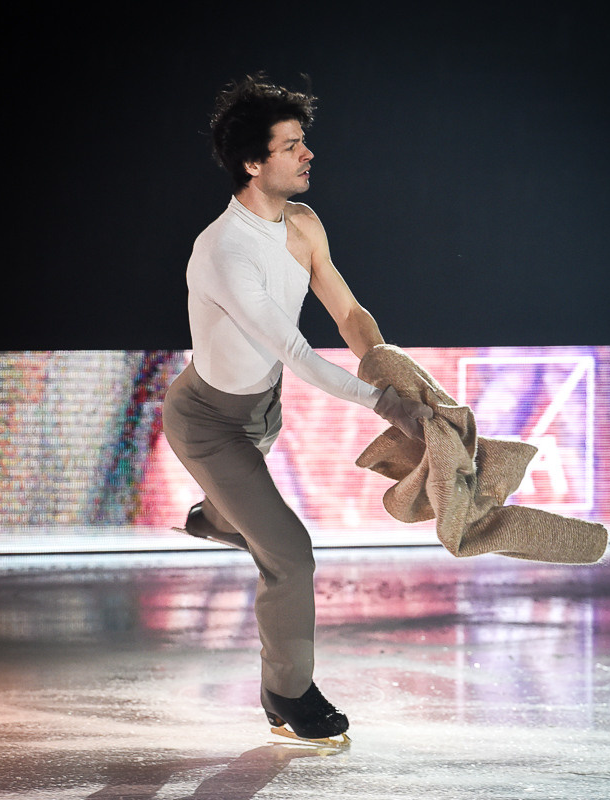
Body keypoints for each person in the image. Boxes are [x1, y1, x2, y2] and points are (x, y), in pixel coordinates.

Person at [162, 74, 432, 744]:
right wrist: (386, 404)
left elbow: (348, 312)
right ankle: (287, 693)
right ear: (253, 163)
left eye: (303, 141)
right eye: (291, 146)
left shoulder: (305, 225)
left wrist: (386, 364)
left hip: (262, 412)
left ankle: (214, 517)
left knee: (245, 513)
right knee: (289, 554)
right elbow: (296, 351)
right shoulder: (224, 250)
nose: (307, 153)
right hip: (208, 423)